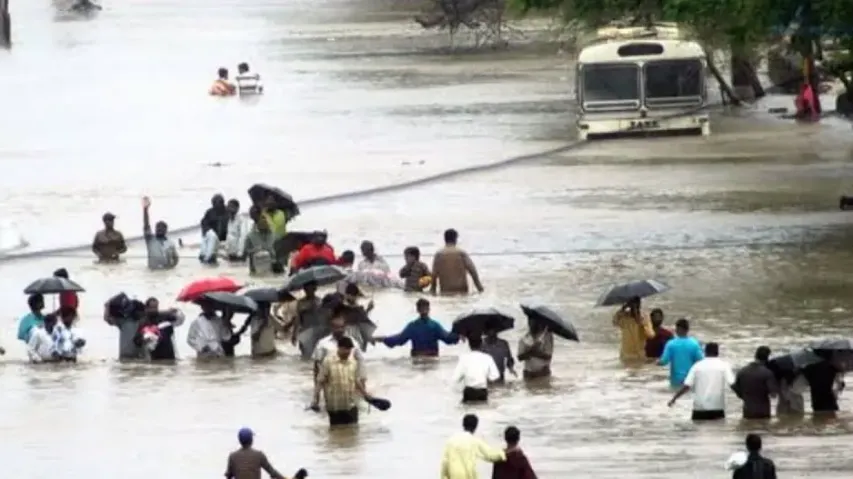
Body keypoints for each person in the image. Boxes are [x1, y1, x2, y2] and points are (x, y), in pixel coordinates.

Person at [311, 336, 378, 426]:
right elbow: (320, 381)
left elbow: (356, 380)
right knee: (336, 434)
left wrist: (365, 394)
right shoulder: (328, 362)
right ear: (339, 348)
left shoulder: (353, 362)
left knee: (353, 433)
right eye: (346, 351)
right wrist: (315, 400)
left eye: (350, 351)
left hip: (351, 406)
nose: (348, 353)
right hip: (334, 407)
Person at [668, 342, 736, 420]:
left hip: (699, 408)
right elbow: (732, 384)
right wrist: (744, 397)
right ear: (717, 352)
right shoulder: (724, 366)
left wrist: (674, 398)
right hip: (717, 407)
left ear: (705, 352)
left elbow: (687, 386)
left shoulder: (697, 366)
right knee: (718, 431)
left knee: (699, 431)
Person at [373, 298, 459, 357]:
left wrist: (382, 339)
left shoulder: (412, 326)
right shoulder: (435, 326)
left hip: (417, 359)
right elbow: (448, 338)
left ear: (417, 310)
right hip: (432, 359)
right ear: (429, 309)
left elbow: (399, 340)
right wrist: (460, 334)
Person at [441, 414, 505, 479]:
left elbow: (445, 463)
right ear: (476, 426)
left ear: (463, 425)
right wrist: (503, 453)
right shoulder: (474, 441)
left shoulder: (451, 441)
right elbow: (490, 455)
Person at [312, 312, 366, 380]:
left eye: (342, 327)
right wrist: (317, 383)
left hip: (349, 380)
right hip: (330, 381)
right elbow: (317, 364)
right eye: (337, 327)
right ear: (331, 327)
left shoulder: (353, 342)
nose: (340, 330)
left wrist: (362, 380)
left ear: (345, 327)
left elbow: (361, 362)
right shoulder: (323, 344)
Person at [430, 228, 483, 295]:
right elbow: (472, 271)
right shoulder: (461, 253)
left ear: (444, 239)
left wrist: (432, 290)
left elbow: (434, 275)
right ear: (455, 239)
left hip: (445, 291)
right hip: (461, 291)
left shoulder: (439, 255)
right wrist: (479, 287)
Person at [224, 427, 289, 479]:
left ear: (239, 440)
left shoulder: (232, 456)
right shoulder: (259, 455)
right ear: (251, 440)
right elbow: (272, 472)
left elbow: (228, 475)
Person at [733, 346, 777, 420]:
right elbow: (773, 395)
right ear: (767, 358)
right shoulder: (767, 373)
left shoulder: (742, 371)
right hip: (763, 411)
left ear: (755, 356)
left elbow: (736, 388)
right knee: (763, 430)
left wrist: (745, 397)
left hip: (747, 411)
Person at [453, 335, 500, 403]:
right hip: (482, 391)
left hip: (469, 392)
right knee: (483, 411)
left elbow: (456, 378)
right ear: (481, 344)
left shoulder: (464, 358)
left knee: (467, 410)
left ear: (469, 345)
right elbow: (495, 376)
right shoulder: (488, 358)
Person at [658, 318, 703, 387]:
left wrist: (655, 362)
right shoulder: (694, 344)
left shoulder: (671, 344)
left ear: (678, 329)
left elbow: (664, 361)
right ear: (687, 330)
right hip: (690, 380)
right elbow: (701, 360)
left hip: (676, 381)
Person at [142, 196, 179, 270]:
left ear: (166, 230)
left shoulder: (170, 243)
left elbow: (176, 259)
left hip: (165, 271)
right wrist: (145, 209)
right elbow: (146, 225)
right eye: (157, 228)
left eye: (161, 228)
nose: (159, 230)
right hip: (152, 271)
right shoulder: (150, 240)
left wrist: (171, 268)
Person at [612, 297, 654, 361]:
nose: (634, 307)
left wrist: (641, 323)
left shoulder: (645, 317)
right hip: (626, 355)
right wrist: (622, 309)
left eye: (636, 305)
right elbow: (614, 322)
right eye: (632, 304)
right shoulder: (624, 317)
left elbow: (651, 335)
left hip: (639, 355)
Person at [293, 281, 322, 358]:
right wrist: (294, 334)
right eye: (306, 289)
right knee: (305, 355)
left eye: (310, 289)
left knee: (317, 355)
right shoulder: (301, 302)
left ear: (314, 289)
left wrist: (315, 307)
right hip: (304, 331)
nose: (308, 291)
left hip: (316, 331)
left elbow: (323, 318)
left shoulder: (319, 301)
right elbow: (297, 319)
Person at [199, 194, 230, 264]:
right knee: (208, 237)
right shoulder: (210, 212)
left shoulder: (228, 212)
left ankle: (209, 257)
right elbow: (204, 223)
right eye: (213, 204)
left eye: (217, 204)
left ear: (222, 203)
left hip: (224, 237)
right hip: (212, 235)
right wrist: (208, 231)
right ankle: (204, 255)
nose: (215, 206)